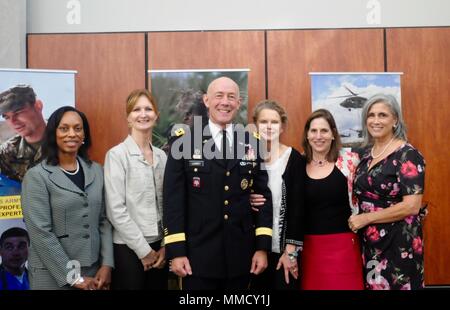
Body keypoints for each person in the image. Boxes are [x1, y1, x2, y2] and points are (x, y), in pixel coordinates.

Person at [163, 77, 273, 290]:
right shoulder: (184, 141)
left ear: (238, 103)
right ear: (206, 100)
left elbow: (262, 198)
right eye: (219, 96)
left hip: (241, 257)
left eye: (231, 97)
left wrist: (262, 248)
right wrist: (176, 252)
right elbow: (173, 200)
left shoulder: (252, 142)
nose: (225, 102)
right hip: (197, 258)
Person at [21, 106, 114, 290]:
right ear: (53, 133)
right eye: (64, 128)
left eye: (77, 128)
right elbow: (40, 233)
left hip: (93, 273)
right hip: (51, 276)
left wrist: (107, 265)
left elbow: (103, 220)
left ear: (84, 134)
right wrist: (74, 278)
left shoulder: (96, 170)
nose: (72, 134)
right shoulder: (37, 176)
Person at [348, 94, 426, 290]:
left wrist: (366, 219)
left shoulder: (407, 154)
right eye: (371, 115)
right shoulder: (366, 155)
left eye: (382, 115)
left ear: (395, 120)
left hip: (399, 242)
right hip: (371, 242)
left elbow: (412, 205)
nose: (375, 120)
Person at [104, 89, 168, 290]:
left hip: (160, 248)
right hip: (129, 249)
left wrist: (167, 245)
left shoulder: (162, 157)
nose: (143, 114)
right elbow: (116, 210)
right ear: (128, 118)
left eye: (148, 109)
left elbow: (170, 204)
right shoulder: (116, 155)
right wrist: (143, 251)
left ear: (156, 116)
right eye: (136, 110)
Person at [300, 109, 363, 290]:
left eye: (324, 131)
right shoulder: (298, 163)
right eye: (313, 131)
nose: (318, 136)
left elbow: (371, 193)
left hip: (344, 246)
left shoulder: (351, 161)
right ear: (307, 134)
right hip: (309, 249)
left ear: (333, 134)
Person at [249, 100, 305, 289]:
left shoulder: (294, 158)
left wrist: (290, 251)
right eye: (264, 121)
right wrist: (246, 198)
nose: (269, 126)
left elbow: (298, 207)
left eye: (274, 122)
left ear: (282, 127)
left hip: (284, 250)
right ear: (255, 125)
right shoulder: (246, 157)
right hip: (253, 249)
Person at [0, 85, 46, 181]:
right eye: (7, 117)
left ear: (38, 105)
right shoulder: (6, 153)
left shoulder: (68, 140)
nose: (13, 122)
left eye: (18, 113)